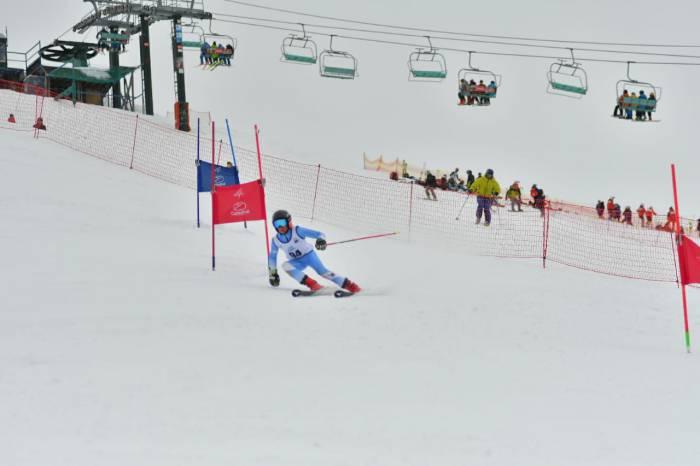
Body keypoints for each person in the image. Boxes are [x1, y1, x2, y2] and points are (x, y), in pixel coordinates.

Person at [267, 210, 361, 293]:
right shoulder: (275, 240)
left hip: (309, 256)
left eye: (282, 222)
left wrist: (321, 240)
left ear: (288, 222)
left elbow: (320, 234)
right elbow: (272, 257)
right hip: (297, 262)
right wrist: (273, 273)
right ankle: (313, 285)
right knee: (285, 266)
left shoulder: (297, 231)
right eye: (277, 224)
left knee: (323, 272)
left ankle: (350, 285)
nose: (280, 226)